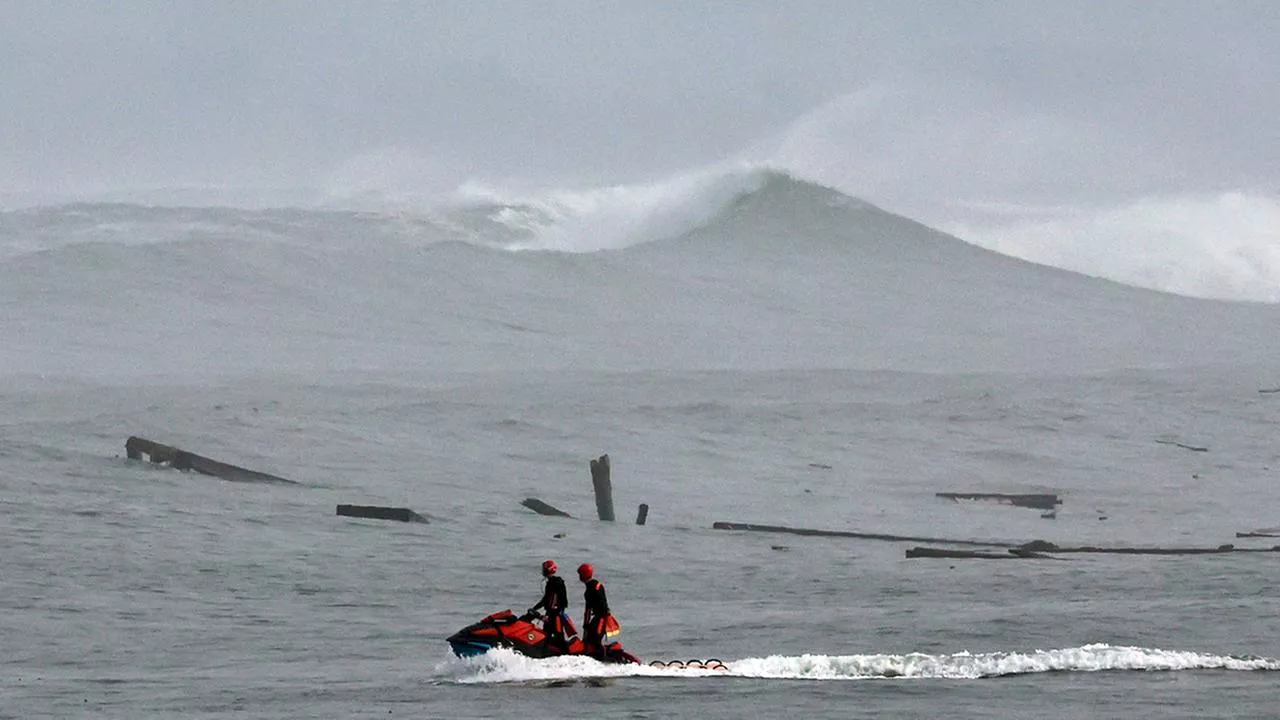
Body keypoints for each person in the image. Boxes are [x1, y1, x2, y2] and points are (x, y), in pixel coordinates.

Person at [529, 560, 572, 652]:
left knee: (558, 635)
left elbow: (554, 599)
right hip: (552, 614)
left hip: (555, 615)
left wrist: (548, 614)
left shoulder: (555, 583)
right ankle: (546, 652)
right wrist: (534, 608)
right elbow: (545, 599)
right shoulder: (550, 583)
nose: (542, 571)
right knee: (546, 635)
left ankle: (565, 653)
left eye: (544, 569)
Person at [577, 563, 611, 659]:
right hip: (601, 617)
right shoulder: (598, 584)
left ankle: (603, 660)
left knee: (595, 640)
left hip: (601, 618)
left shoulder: (589, 590)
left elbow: (588, 610)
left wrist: (585, 625)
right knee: (591, 640)